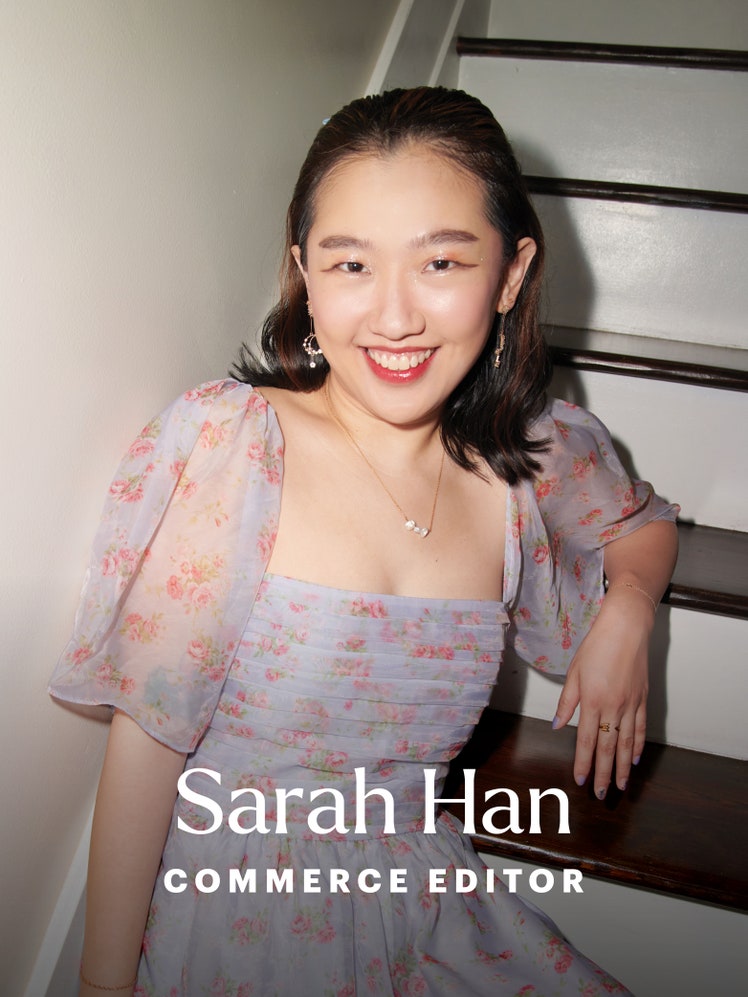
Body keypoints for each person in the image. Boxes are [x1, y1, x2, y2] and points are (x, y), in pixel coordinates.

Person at [51, 87, 678, 996]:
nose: (392, 318)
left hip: (418, 892)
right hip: (237, 914)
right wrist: (103, 983)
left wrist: (627, 614)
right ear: (304, 271)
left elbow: (642, 523)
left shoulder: (533, 459)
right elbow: (147, 737)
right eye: (350, 265)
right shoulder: (236, 447)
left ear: (509, 274)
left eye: (441, 263)